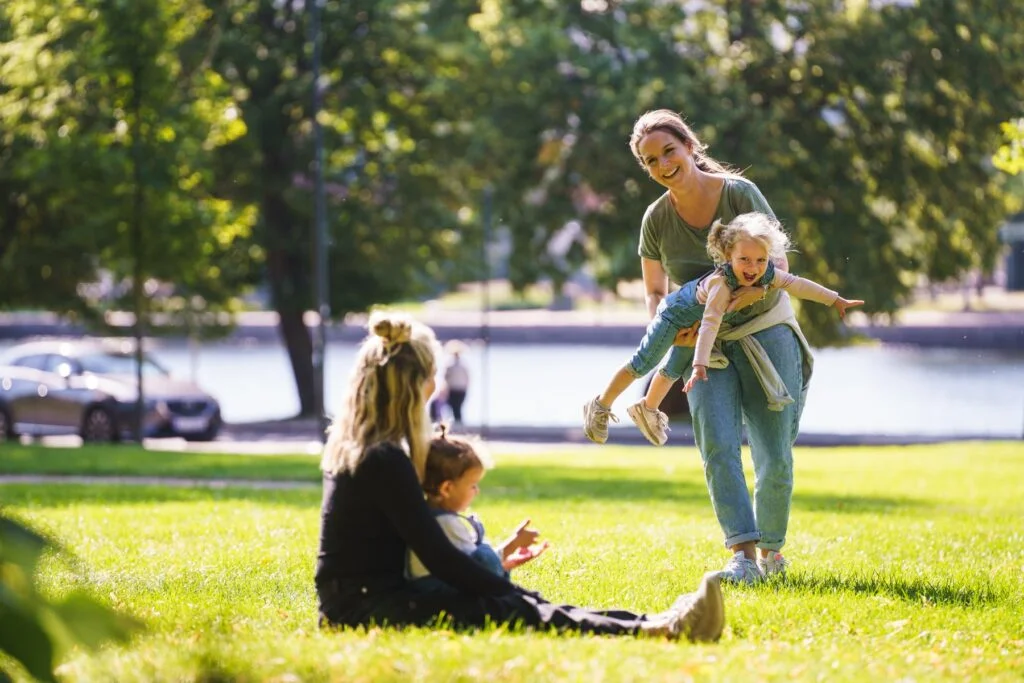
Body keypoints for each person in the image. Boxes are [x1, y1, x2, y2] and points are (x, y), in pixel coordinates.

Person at [316, 310, 725, 641]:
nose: (433, 388)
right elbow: (437, 555)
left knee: (515, 602)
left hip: (362, 601)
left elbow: (435, 551)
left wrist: (498, 575)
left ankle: (649, 622)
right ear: (412, 387)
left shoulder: (367, 450)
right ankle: (654, 628)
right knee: (507, 606)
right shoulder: (384, 460)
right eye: (429, 379)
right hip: (363, 609)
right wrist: (502, 586)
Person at [588, 108, 828, 585]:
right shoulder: (655, 219)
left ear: (689, 146)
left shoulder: (739, 194)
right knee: (718, 448)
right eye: (650, 160)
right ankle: (742, 554)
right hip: (703, 346)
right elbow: (655, 291)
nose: (662, 165)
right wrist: (667, 325)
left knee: (774, 452)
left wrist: (747, 293)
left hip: (766, 332)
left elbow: (776, 261)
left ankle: (773, 554)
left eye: (668, 152)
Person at [584, 212, 863, 446]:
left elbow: (797, 284)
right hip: (673, 316)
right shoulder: (721, 285)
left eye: (760, 260)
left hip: (694, 323)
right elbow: (710, 324)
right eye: (744, 260)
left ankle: (648, 408)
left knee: (670, 370)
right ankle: (600, 404)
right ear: (729, 256)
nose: (752, 268)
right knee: (643, 363)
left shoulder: (765, 273)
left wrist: (834, 299)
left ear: (768, 258)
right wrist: (700, 365)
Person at [407, 426, 551, 592]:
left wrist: (505, 561)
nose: (477, 491)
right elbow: (477, 569)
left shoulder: (429, 517)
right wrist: (511, 546)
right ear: (446, 489)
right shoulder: (446, 524)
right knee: (485, 556)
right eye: (472, 485)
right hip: (438, 593)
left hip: (434, 588)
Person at [442, 340, 470, 427]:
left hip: (456, 389)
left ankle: (457, 424)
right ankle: (457, 423)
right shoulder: (462, 365)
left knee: (455, 407)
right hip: (458, 389)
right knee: (456, 407)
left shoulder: (451, 365)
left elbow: (446, 377)